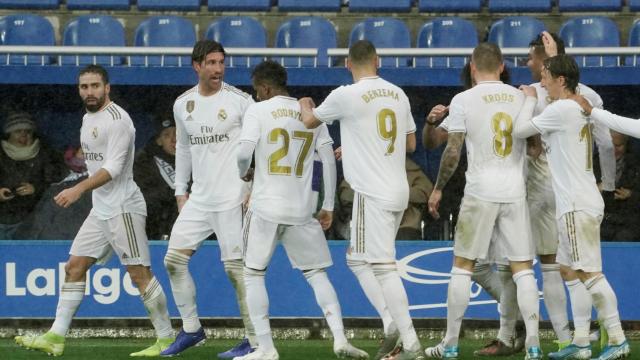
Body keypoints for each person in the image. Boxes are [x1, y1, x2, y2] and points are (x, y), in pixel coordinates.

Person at [14, 65, 174, 356]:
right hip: (102, 208)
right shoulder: (88, 118)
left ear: (107, 87)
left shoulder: (119, 120)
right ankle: (56, 336)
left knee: (140, 275)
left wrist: (78, 189)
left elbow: (112, 168)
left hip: (123, 207)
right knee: (74, 266)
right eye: (84, 87)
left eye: (95, 86)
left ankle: (166, 338)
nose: (90, 92)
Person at [235, 60, 368, 360]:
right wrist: (329, 205)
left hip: (266, 206)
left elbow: (243, 152)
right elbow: (329, 160)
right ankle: (339, 339)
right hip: (302, 209)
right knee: (316, 274)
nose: (255, 95)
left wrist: (245, 172)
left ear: (265, 88)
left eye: (257, 90)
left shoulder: (258, 110)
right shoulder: (309, 112)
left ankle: (266, 348)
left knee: (253, 274)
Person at [300, 40, 423, 360]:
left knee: (383, 267)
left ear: (347, 64)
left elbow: (309, 122)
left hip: (372, 192)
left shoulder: (345, 94)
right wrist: (357, 145)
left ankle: (410, 343)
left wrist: (304, 103)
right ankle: (390, 322)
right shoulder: (398, 93)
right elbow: (409, 144)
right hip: (398, 189)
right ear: (378, 60)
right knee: (357, 258)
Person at [424, 43, 542, 360]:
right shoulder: (521, 97)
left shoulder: (463, 99)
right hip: (515, 190)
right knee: (523, 271)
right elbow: (534, 147)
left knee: (463, 268)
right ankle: (532, 345)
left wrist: (437, 188)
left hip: (480, 191)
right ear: (502, 66)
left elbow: (452, 150)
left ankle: (450, 345)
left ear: (472, 67)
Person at [515, 54, 630, 360]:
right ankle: (580, 342)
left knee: (591, 274)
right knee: (568, 270)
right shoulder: (570, 107)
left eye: (545, 76)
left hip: (577, 204)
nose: (541, 83)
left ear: (560, 80)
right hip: (576, 202)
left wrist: (527, 99)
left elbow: (519, 131)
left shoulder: (563, 108)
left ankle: (618, 339)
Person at [161, 40, 256, 358]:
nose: (218, 69)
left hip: (233, 197)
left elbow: (257, 147)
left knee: (236, 271)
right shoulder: (182, 104)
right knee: (173, 261)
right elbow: (184, 148)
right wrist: (180, 190)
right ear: (197, 66)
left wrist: (251, 186)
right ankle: (191, 330)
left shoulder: (241, 101)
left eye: (221, 62)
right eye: (212, 63)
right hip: (199, 199)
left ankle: (253, 340)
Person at [0, 112, 65, 239]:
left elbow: (56, 183)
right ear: (9, 134)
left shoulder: (45, 154)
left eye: (27, 131)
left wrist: (35, 188)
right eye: (18, 131)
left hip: (31, 218)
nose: (24, 135)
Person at [13, 145, 92, 240]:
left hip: (65, 241)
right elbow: (37, 219)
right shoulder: (58, 173)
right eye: (83, 153)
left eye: (93, 154)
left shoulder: (94, 184)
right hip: (41, 239)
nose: (87, 156)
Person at [134, 116, 178, 240]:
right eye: (167, 135)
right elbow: (142, 197)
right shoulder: (144, 161)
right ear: (159, 140)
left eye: (178, 133)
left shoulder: (196, 159)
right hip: (153, 229)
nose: (174, 139)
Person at [595, 132, 640, 241]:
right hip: (600, 221)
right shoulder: (595, 163)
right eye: (611, 145)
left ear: (626, 144)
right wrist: (595, 189)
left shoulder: (636, 164)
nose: (614, 150)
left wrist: (631, 195)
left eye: (619, 146)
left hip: (628, 223)